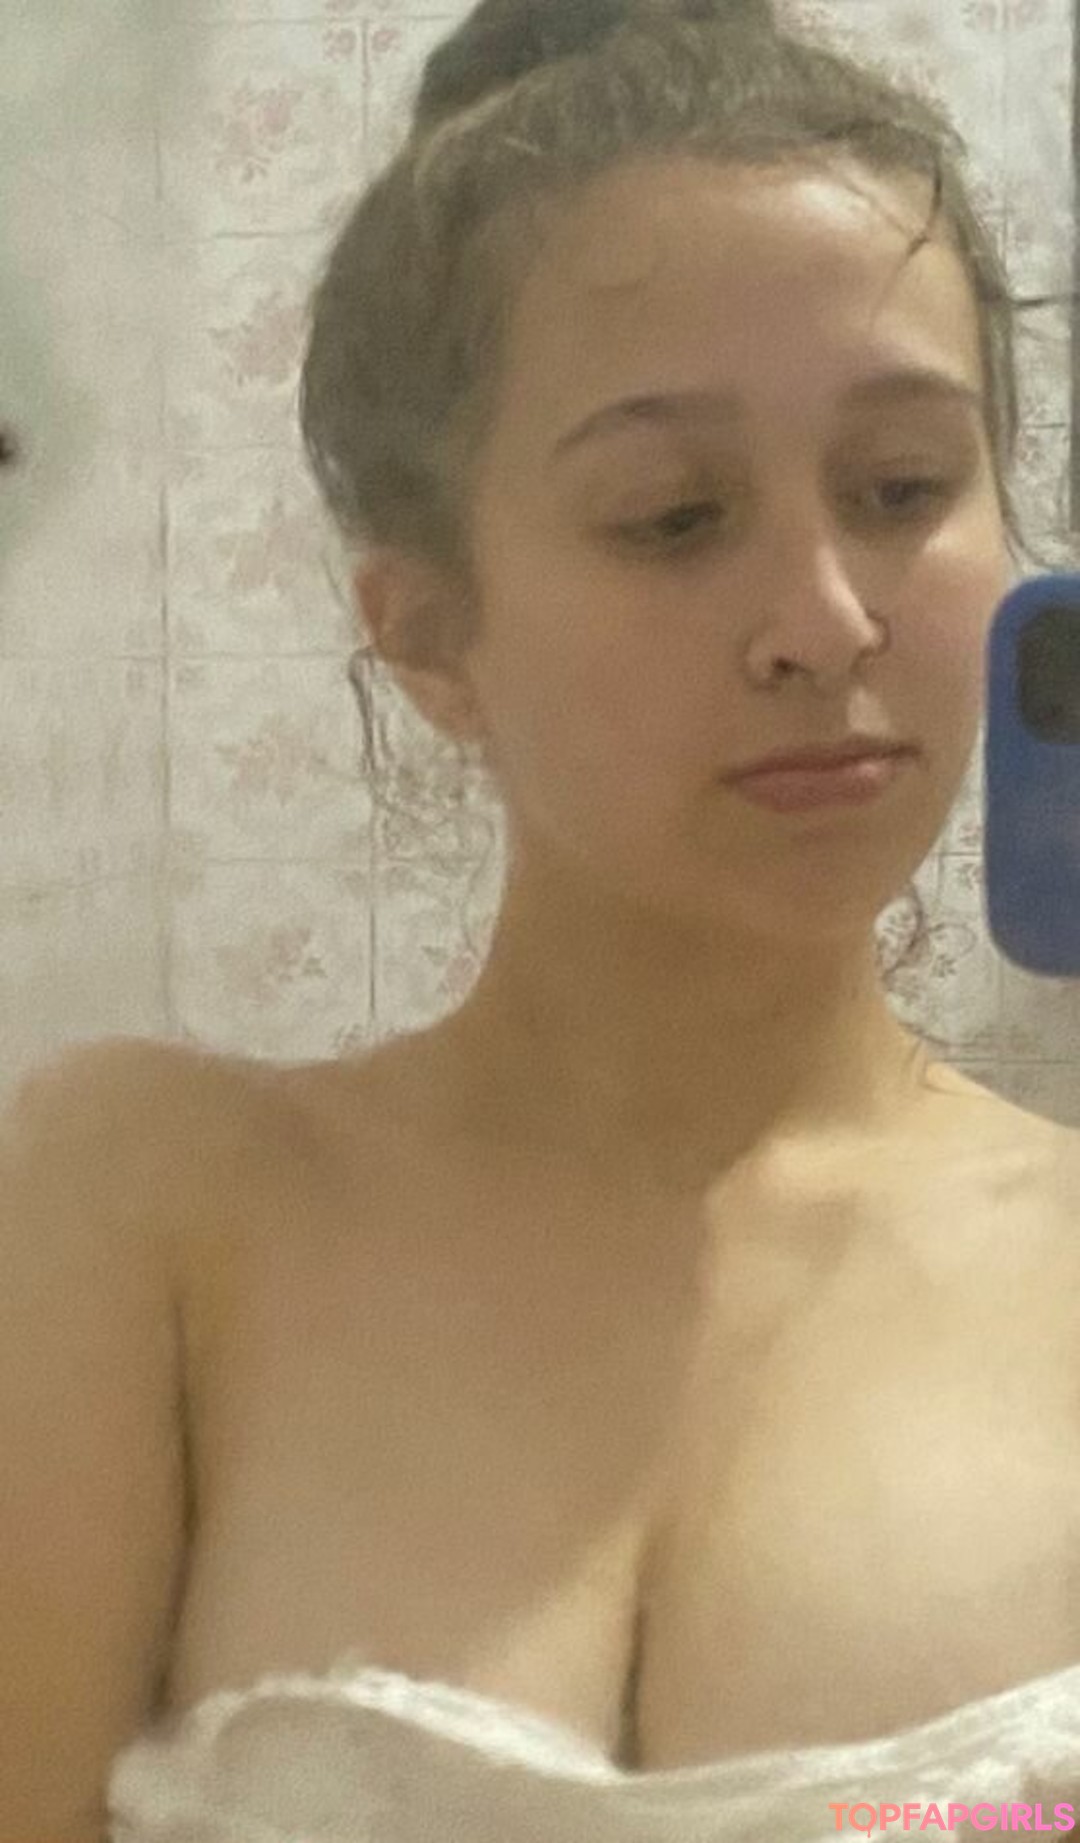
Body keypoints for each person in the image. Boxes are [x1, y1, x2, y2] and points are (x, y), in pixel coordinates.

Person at [3, 0, 1079, 1838]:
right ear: (427, 629)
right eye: (673, 516)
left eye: (905, 488)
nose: (827, 620)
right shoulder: (154, 1208)